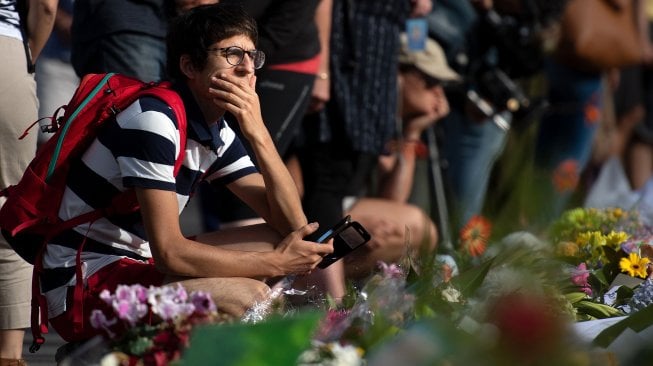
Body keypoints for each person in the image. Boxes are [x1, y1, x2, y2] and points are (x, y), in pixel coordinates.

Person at [36, 3, 333, 343]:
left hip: (138, 265)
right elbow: (169, 252)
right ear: (189, 65)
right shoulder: (154, 120)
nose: (248, 69)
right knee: (249, 298)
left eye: (254, 56)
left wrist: (259, 134)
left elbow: (293, 226)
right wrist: (276, 264)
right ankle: (109, 350)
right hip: (85, 285)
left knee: (276, 239)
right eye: (233, 54)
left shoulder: (217, 129)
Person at [339, 35, 456, 279]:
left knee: (413, 232)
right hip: (321, 215)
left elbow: (392, 200)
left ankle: (328, 292)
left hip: (338, 211)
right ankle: (309, 287)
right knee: (416, 226)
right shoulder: (366, 110)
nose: (439, 93)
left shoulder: (393, 122)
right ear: (399, 73)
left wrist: (413, 131)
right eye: (431, 81)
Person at [0, 0, 58, 364]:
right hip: (6, 48)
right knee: (9, 211)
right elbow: (46, 6)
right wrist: (27, 58)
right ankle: (8, 355)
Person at [35, 0, 78, 146]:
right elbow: (45, 5)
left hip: (104, 66)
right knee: (50, 143)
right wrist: (61, 19)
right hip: (58, 63)